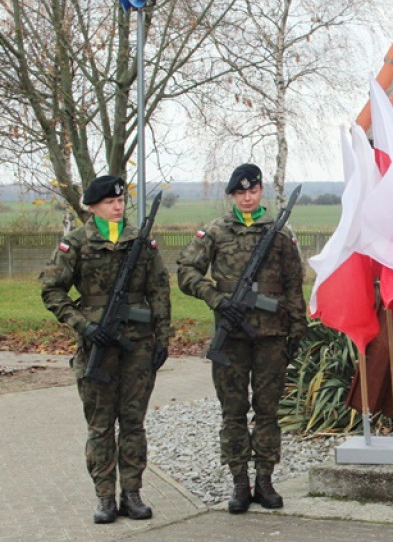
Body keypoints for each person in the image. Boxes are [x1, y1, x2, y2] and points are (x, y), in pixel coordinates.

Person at [40, 175, 171, 523]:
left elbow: (159, 290)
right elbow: (51, 290)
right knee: (100, 425)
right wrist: (85, 325)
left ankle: (132, 493)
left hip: (138, 345)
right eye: (111, 202)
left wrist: (163, 338)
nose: (119, 206)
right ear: (93, 206)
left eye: (121, 201)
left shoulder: (140, 242)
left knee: (133, 423)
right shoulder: (77, 243)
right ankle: (104, 497)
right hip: (97, 345)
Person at [176, 164, 306, 514]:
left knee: (267, 411)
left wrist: (297, 330)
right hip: (231, 337)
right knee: (233, 412)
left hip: (271, 337)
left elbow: (295, 285)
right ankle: (239, 482)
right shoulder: (216, 232)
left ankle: (265, 480)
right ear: (232, 195)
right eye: (240, 192)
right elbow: (186, 271)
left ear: (261, 191)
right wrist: (215, 298)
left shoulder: (279, 233)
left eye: (253, 191)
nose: (247, 197)